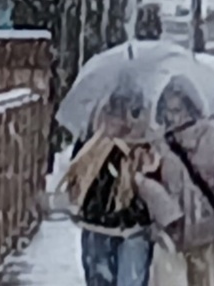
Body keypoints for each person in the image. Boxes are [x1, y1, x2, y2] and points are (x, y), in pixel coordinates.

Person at [135, 78, 214, 286]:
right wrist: (168, 212)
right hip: (170, 234)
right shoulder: (158, 142)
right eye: (168, 110)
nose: (173, 116)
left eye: (178, 109)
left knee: (204, 279)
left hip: (206, 229)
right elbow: (144, 180)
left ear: (191, 106)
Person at [62, 89, 157, 286]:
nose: (123, 120)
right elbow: (76, 179)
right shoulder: (92, 141)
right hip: (98, 225)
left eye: (133, 112)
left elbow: (159, 183)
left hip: (134, 228)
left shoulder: (148, 143)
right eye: (116, 112)